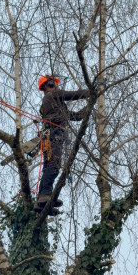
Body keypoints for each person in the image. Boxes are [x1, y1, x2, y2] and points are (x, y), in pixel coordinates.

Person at [34, 75, 90, 214]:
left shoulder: (56, 103)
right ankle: (45, 196)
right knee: (53, 164)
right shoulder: (52, 94)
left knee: (49, 166)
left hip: (52, 134)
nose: (57, 87)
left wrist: (89, 107)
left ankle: (42, 202)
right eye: (53, 84)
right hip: (53, 134)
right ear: (49, 85)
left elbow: (75, 116)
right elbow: (73, 95)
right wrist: (92, 91)